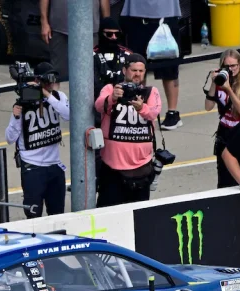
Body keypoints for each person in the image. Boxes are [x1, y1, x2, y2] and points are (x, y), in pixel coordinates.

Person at [95, 53, 162, 207]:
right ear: (124, 71)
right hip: (112, 169)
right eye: (133, 70)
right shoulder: (111, 88)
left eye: (141, 71)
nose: (137, 74)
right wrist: (112, 98)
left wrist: (141, 108)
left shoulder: (151, 92)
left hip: (141, 168)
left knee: (139, 216)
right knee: (108, 214)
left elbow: (153, 112)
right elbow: (98, 106)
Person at [5, 62, 69, 219]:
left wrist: (47, 95)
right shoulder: (25, 100)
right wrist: (15, 116)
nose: (51, 83)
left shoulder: (59, 97)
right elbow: (9, 138)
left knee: (57, 214)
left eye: (53, 79)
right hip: (32, 167)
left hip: (54, 165)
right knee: (33, 215)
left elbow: (68, 115)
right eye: (47, 80)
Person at [204, 49, 240, 188]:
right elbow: (208, 106)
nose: (230, 70)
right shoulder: (220, 82)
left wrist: (229, 89)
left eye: (233, 66)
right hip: (225, 131)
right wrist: (214, 83)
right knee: (224, 178)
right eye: (226, 67)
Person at [120, 0, 182, 130]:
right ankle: (139, 108)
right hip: (137, 18)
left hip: (165, 18)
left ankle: (173, 113)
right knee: (137, 67)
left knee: (169, 69)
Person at [40, 0, 109, 80]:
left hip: (90, 29)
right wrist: (44, 22)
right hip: (60, 28)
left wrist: (107, 24)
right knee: (59, 74)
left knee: (89, 73)